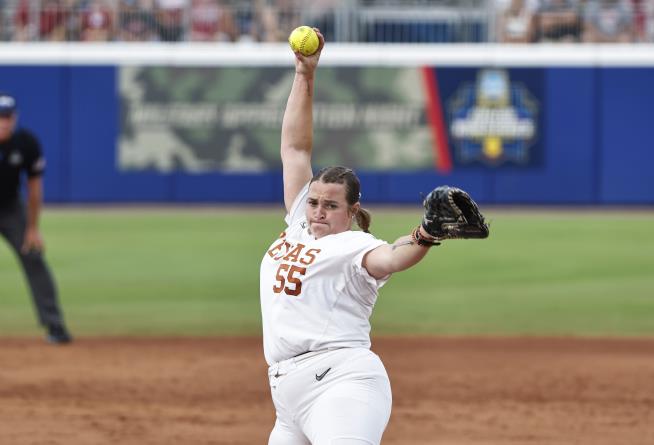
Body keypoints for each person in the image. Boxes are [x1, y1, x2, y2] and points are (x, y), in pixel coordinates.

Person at [260, 29, 485, 444]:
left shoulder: (354, 246)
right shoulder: (298, 222)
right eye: (314, 202)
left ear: (352, 210)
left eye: (330, 205)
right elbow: (294, 149)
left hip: (341, 385)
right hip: (286, 399)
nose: (318, 211)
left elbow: (392, 257)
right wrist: (304, 74)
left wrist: (425, 233)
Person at [0, 93, 72, 344]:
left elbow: (34, 188)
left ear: (15, 117)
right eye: (0, 118)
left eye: (8, 117)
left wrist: (32, 228)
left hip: (10, 208)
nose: (4, 122)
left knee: (34, 257)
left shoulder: (26, 143)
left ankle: (55, 325)